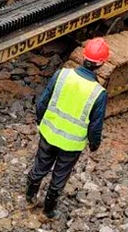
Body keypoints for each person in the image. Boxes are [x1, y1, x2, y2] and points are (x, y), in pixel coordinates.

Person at [25, 38, 109, 218]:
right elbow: (95, 125)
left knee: (40, 166)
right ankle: (48, 211)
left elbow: (43, 102)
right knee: (59, 177)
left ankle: (30, 197)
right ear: (101, 64)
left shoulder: (61, 75)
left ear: (83, 56)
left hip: (49, 132)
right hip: (71, 144)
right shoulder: (98, 93)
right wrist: (94, 144)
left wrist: (41, 121)